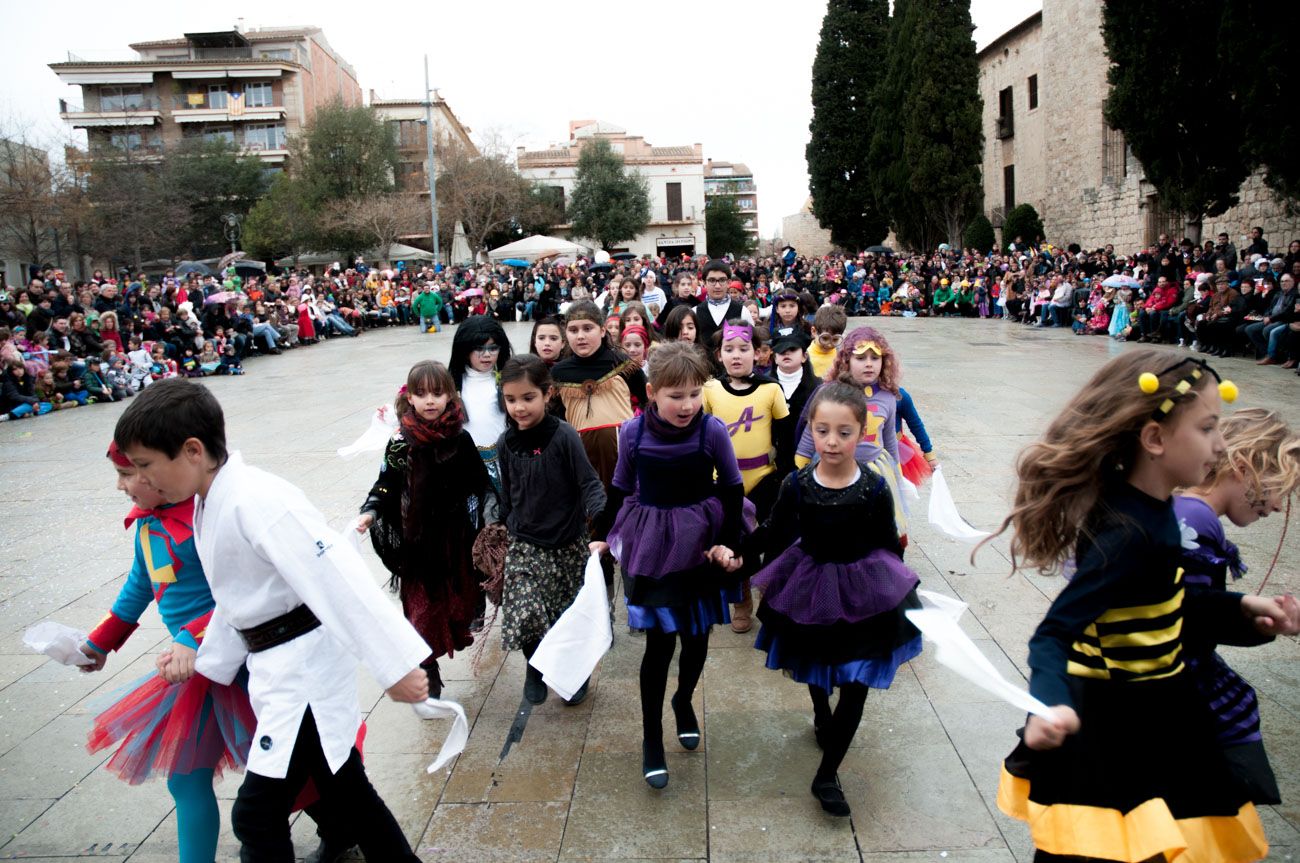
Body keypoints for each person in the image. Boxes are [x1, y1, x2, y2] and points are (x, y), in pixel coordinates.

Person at [987, 352, 1298, 863]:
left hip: (1158, 712)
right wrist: (1049, 701)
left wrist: (1243, 606)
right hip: (1111, 726)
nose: (1221, 445)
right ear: (1154, 440)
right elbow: (1053, 633)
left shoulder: (1154, 514)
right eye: (1207, 428)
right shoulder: (1130, 534)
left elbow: (1167, 603)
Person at [113, 379, 431, 862]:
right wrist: (210, 661)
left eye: (144, 465)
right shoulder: (210, 501)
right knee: (346, 792)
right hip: (279, 663)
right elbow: (235, 598)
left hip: (303, 670)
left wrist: (396, 665)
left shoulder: (257, 499)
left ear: (193, 450)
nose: (142, 480)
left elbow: (337, 576)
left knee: (258, 816)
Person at [745, 382, 922, 817]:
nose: (832, 441)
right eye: (823, 431)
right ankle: (821, 710)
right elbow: (771, 530)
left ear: (862, 432)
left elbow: (888, 544)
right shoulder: (797, 484)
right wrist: (736, 553)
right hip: (811, 585)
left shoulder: (875, 489)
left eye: (844, 432)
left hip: (863, 591)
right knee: (816, 666)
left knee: (857, 684)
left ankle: (827, 773)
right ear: (811, 429)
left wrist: (898, 589)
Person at [81, 441, 256, 863]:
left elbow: (239, 592)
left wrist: (192, 637)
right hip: (190, 673)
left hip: (237, 662)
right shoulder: (147, 524)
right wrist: (99, 642)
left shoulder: (203, 520)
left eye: (130, 473)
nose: (121, 486)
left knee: (294, 768)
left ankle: (338, 823)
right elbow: (140, 584)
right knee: (186, 778)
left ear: (162, 474)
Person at [592, 342, 745, 790]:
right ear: (653, 392)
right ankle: (651, 738)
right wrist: (600, 533)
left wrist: (728, 543)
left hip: (700, 541)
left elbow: (733, 491)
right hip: (653, 543)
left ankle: (683, 699)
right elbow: (618, 486)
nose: (687, 404)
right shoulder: (633, 433)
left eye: (695, 393)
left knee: (697, 639)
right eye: (676, 395)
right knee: (659, 646)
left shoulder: (711, 431)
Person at [1173, 408, 1300, 806]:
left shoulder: (1188, 509)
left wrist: (1258, 624)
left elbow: (1198, 615)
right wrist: (1245, 607)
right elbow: (1185, 615)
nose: (1279, 506)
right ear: (1244, 466)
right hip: (1172, 691)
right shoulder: (1193, 517)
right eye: (1282, 489)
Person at [356, 360, 494, 699]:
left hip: (456, 539)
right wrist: (372, 510)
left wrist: (492, 517)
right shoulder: (401, 441)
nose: (430, 401)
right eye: (421, 394)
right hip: (416, 543)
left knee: (460, 606)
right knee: (420, 611)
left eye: (437, 392)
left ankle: (450, 637)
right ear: (410, 399)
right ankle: (427, 667)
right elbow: (386, 483)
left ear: (450, 395)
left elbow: (480, 483)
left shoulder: (461, 439)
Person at [496, 355, 607, 705]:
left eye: (528, 398)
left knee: (566, 617)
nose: (519, 407)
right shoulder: (505, 443)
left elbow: (589, 483)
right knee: (526, 610)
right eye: (511, 399)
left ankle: (574, 674)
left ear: (548, 394)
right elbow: (507, 491)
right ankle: (535, 665)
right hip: (525, 541)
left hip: (567, 542)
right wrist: (499, 525)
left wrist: (602, 520)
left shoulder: (564, 436)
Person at [701, 319, 791, 633]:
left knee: (767, 539)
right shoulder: (710, 389)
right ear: (719, 355)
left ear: (758, 353)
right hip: (724, 481)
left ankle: (770, 593)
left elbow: (784, 435)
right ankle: (741, 601)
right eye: (729, 349)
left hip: (764, 478)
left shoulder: (771, 389)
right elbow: (701, 435)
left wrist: (785, 475)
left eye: (744, 348)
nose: (736, 355)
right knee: (734, 541)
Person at [551, 300, 647, 590]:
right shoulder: (557, 374)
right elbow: (554, 421)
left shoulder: (624, 366)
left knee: (631, 525)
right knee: (592, 532)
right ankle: (599, 601)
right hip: (581, 463)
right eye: (573, 330)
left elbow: (648, 407)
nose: (581, 336)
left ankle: (637, 598)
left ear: (603, 330)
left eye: (588, 328)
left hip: (625, 458)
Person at [795, 326, 906, 536]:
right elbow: (810, 432)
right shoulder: (828, 392)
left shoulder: (888, 397)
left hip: (874, 469)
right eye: (861, 358)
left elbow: (890, 438)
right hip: (832, 467)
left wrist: (897, 474)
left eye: (875, 358)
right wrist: (799, 468)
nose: (869, 364)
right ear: (846, 360)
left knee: (871, 525)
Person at [449, 315, 512, 492]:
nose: (486, 354)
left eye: (493, 348)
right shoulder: (450, 384)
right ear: (464, 350)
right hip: (466, 469)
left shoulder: (510, 378)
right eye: (478, 348)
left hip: (507, 466)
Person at [692, 260, 753, 347]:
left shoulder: (742, 311)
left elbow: (750, 343)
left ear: (728, 283)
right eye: (712, 280)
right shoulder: (695, 312)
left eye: (722, 280)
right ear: (704, 283)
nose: (717, 286)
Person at [807, 305, 847, 380]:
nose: (829, 344)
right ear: (814, 331)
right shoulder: (806, 357)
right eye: (825, 338)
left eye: (835, 339)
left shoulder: (841, 357)